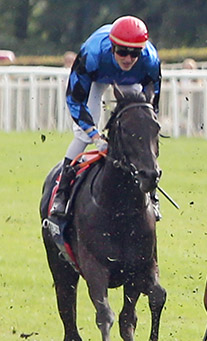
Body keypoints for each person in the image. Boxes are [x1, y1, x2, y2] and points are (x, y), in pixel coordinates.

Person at [43, 16, 161, 245]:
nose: (128, 58)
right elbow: (75, 101)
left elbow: (152, 106)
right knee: (82, 135)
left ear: (142, 51)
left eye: (134, 53)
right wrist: (96, 137)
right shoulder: (92, 55)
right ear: (112, 46)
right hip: (97, 79)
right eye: (122, 51)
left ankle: (151, 190)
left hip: (130, 82)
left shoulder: (150, 60)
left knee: (140, 131)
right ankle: (62, 191)